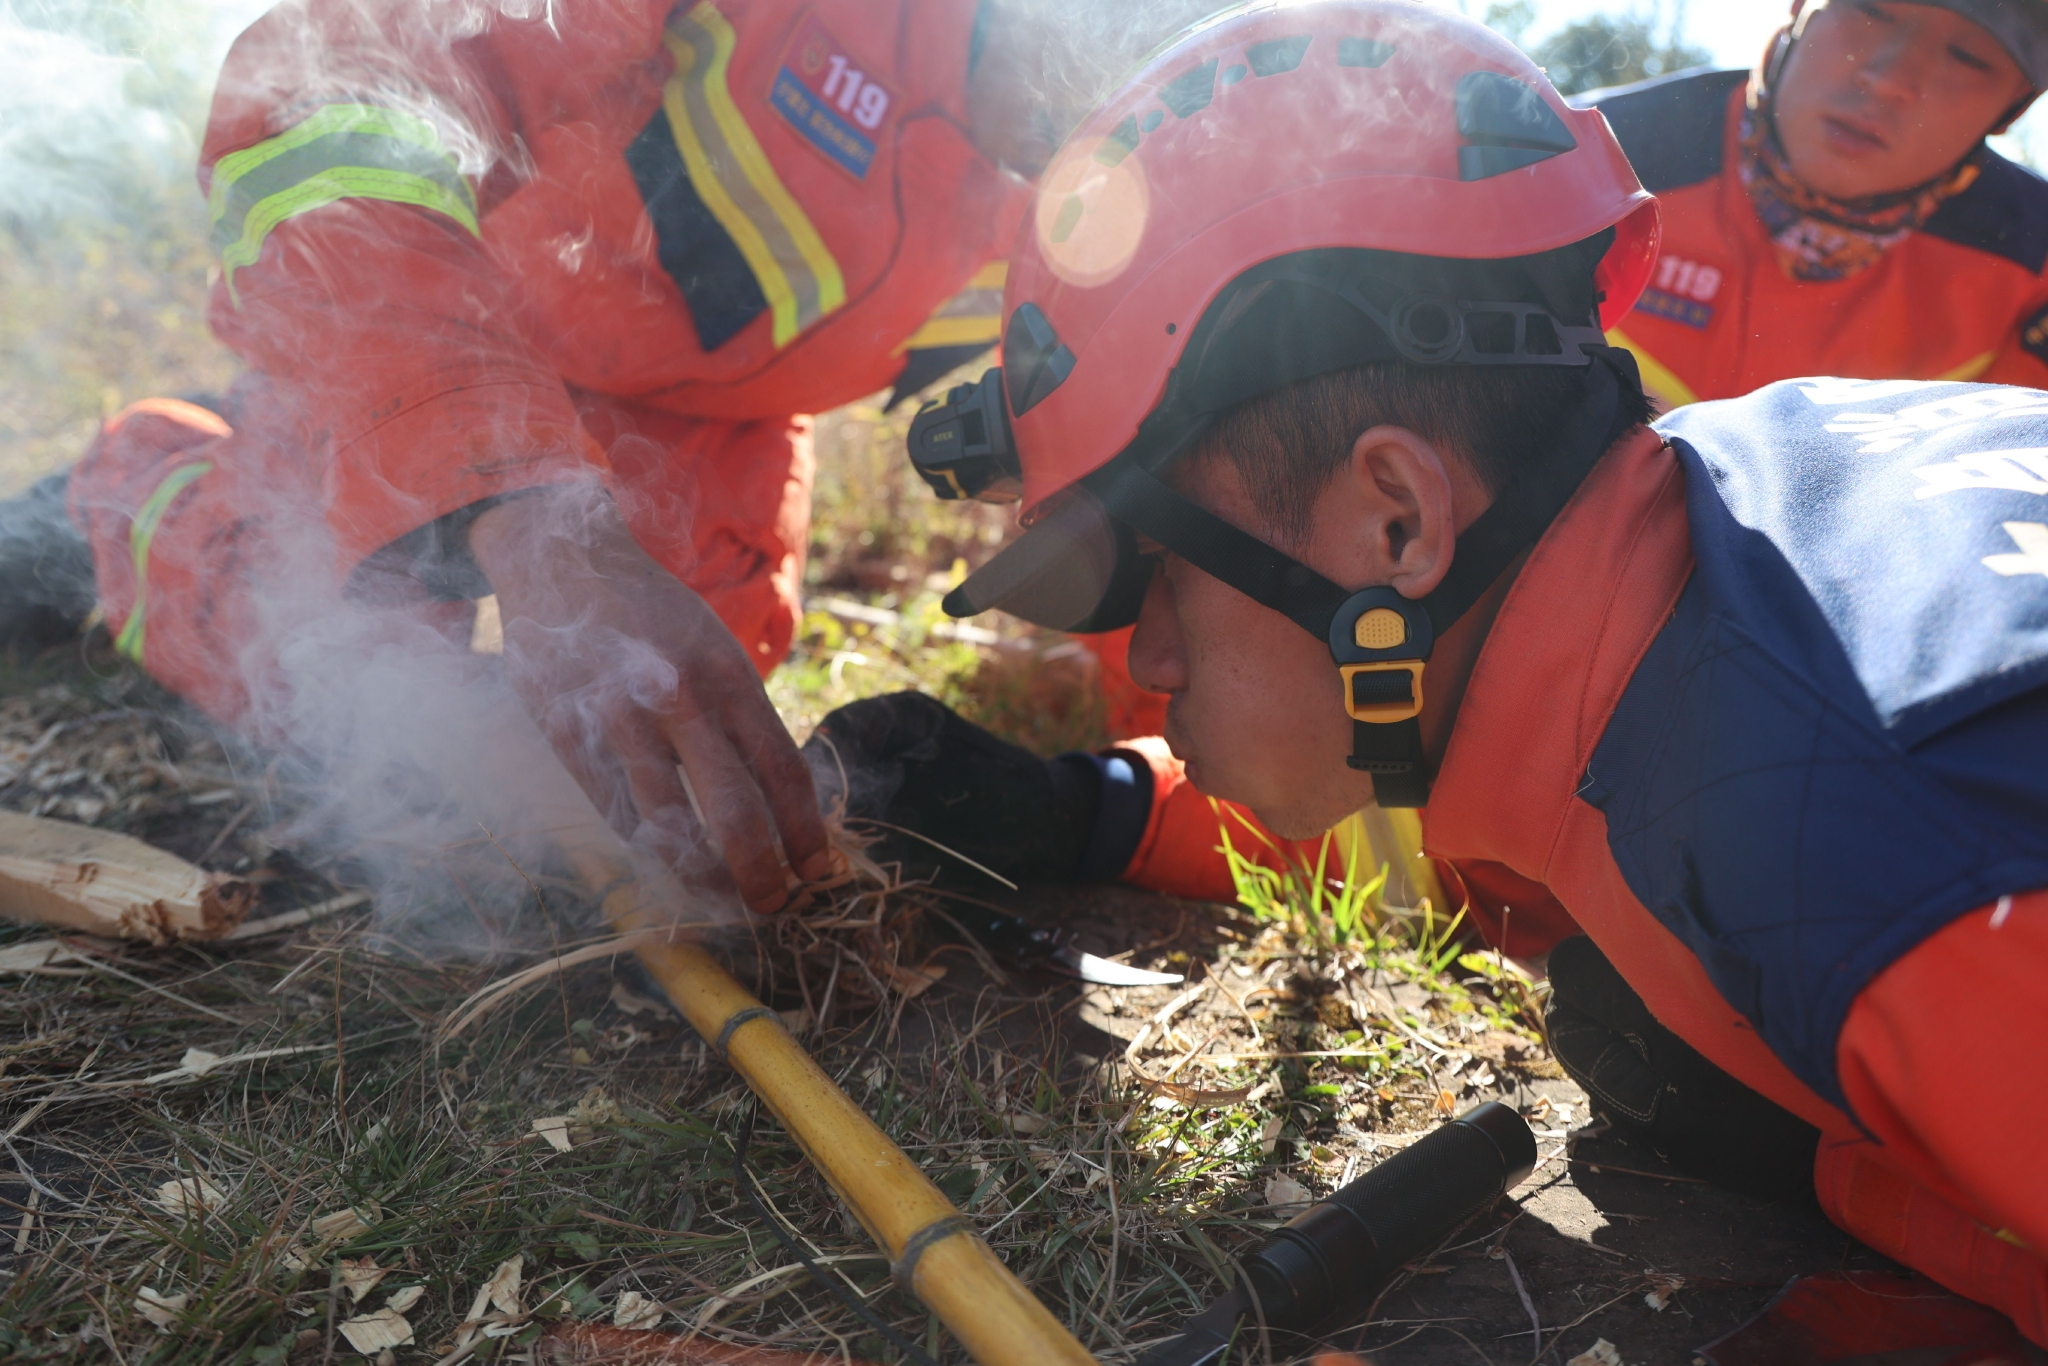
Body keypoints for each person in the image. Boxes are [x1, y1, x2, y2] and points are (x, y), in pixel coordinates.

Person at [915, 0, 2048, 1341]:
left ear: (1398, 516)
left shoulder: (1860, 870)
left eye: (1152, 576)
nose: (1143, 652)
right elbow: (1422, 811)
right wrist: (1084, 806)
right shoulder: (1735, 544)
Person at [10, 0, 1219, 911]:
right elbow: (322, 98)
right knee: (366, 684)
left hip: (692, 441)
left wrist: (1109, 801)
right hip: (421, 342)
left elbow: (1159, 564)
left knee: (641, 748)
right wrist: (537, 520)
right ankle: (120, 497)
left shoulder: (1065, 207)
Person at [1587, 0, 2048, 409]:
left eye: (1966, 57)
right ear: (1798, 9)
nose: (1889, 81)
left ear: (2015, 108)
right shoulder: (1577, 158)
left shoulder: (2034, 272)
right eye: (1873, 10)